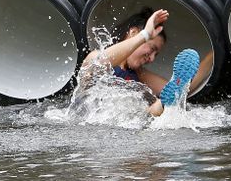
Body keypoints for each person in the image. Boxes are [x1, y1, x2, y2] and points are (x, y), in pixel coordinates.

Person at [81, 7, 213, 116]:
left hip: (128, 121)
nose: (152, 58)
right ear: (133, 33)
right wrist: (145, 35)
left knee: (156, 107)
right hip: (92, 118)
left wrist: (214, 53)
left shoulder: (139, 74)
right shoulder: (97, 58)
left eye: (156, 54)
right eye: (152, 49)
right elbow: (97, 63)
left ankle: (160, 106)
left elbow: (182, 88)